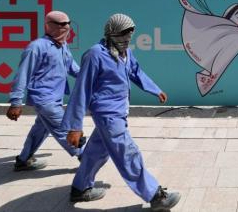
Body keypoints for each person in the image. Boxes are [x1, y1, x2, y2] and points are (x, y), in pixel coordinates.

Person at [62, 13, 180, 211]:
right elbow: (81, 90)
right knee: (128, 152)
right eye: (123, 33)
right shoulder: (95, 55)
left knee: (96, 152)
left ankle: (80, 188)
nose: (127, 38)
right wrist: (74, 126)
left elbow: (136, 72)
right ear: (111, 32)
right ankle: (154, 195)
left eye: (130, 33)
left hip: (119, 111)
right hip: (107, 114)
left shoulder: (125, 53)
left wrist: (155, 89)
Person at [6, 10, 84, 171]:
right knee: (66, 130)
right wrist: (16, 102)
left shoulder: (63, 46)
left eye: (68, 23)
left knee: (40, 129)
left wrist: (93, 78)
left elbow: (73, 68)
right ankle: (86, 159)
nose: (66, 27)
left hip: (55, 97)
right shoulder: (36, 47)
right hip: (44, 98)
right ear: (48, 26)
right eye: (62, 24)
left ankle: (24, 159)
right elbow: (22, 74)